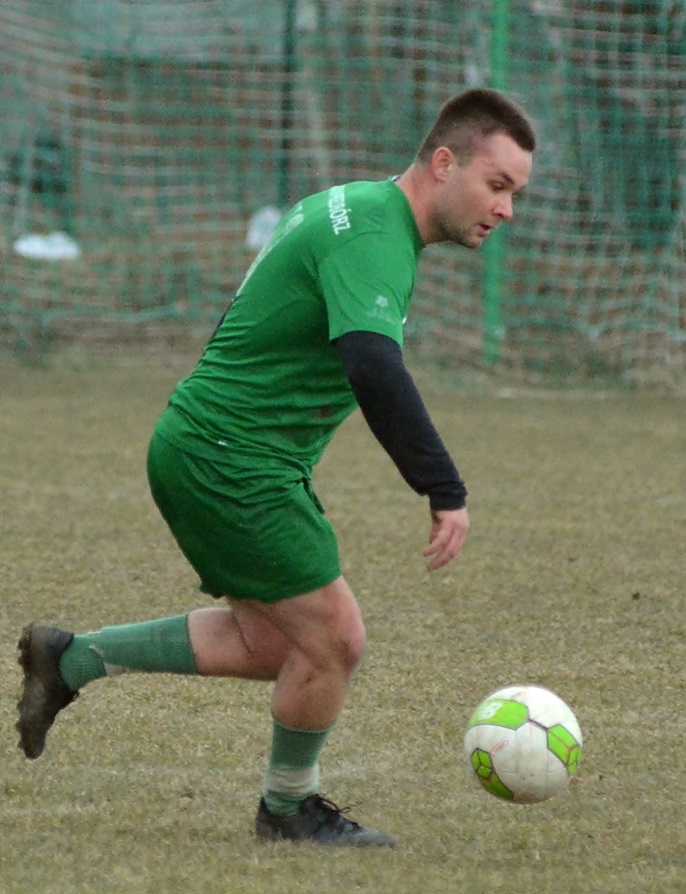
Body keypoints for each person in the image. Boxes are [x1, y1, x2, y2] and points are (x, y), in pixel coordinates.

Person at [15, 87, 537, 846]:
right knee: (336, 640)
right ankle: (289, 812)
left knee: (276, 646)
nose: (506, 209)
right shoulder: (374, 235)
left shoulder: (355, 207)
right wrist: (443, 487)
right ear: (444, 161)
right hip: (231, 459)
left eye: (515, 193)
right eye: (498, 185)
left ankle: (72, 660)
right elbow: (372, 365)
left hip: (215, 446)